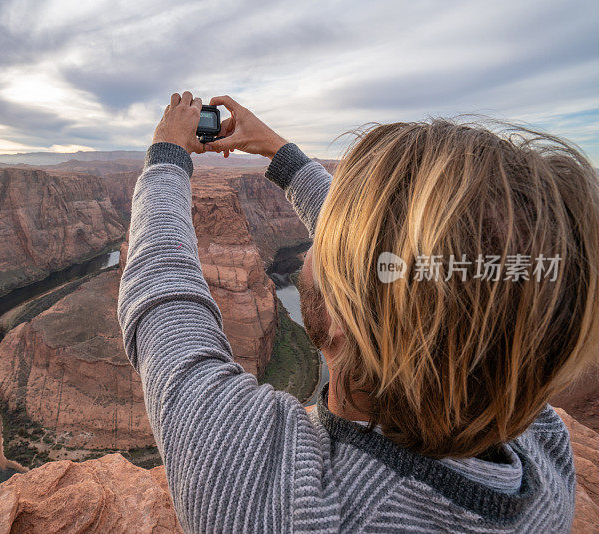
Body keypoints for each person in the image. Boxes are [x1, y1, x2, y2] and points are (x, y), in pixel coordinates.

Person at [117, 91, 599, 532]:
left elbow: (164, 299)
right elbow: (396, 268)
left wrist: (166, 154)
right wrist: (277, 153)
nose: (318, 237)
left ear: (344, 318)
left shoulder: (286, 503)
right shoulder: (539, 446)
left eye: (326, 241)